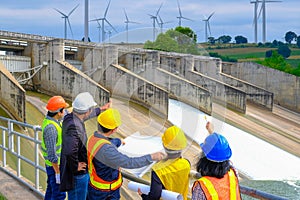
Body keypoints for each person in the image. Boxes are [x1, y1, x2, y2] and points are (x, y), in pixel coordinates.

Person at [86, 108, 165, 200]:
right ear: (114, 130)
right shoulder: (107, 150)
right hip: (106, 193)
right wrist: (151, 157)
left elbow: (107, 142)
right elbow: (129, 162)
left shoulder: (93, 138)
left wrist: (119, 141)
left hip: (95, 187)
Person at [59, 92, 111, 200]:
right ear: (87, 111)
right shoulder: (75, 126)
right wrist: (75, 166)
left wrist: (101, 109)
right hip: (78, 175)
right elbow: (69, 151)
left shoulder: (70, 117)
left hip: (76, 173)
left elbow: (86, 116)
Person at [138, 126, 191, 200]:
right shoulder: (186, 164)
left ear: (164, 145)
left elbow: (154, 197)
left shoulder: (158, 170)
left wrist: (143, 195)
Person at [192, 122, 242, 200]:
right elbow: (220, 153)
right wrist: (212, 132)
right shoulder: (233, 173)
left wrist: (211, 135)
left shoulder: (201, 187)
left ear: (203, 159)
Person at [41, 96, 69, 200]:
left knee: (51, 190)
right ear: (59, 113)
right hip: (55, 167)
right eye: (63, 110)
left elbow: (69, 114)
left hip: (53, 166)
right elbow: (52, 154)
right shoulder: (51, 128)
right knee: (59, 195)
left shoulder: (53, 119)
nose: (65, 112)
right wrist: (58, 173)